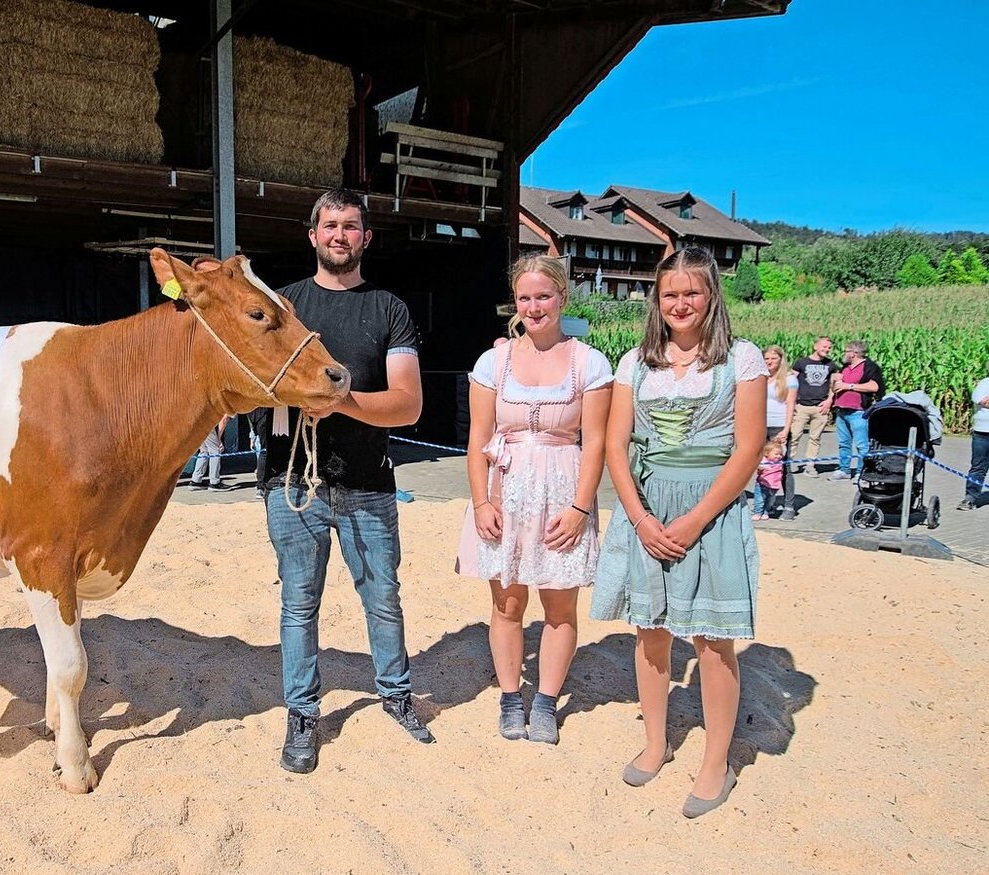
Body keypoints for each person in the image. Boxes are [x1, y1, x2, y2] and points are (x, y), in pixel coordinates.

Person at [589, 247, 765, 819]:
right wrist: (640, 518)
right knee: (651, 630)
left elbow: (748, 449)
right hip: (649, 505)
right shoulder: (635, 363)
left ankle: (716, 761)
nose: (681, 303)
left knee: (713, 640)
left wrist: (695, 519)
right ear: (657, 301)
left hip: (711, 508)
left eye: (692, 292)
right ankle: (655, 740)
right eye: (670, 294)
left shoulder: (741, 359)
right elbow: (616, 445)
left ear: (712, 295)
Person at [258, 188, 428, 774]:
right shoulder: (282, 307)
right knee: (298, 604)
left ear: (365, 238)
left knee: (382, 597)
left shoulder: (389, 309)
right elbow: (255, 385)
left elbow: (407, 405)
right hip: (292, 482)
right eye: (329, 225)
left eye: (350, 227)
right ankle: (303, 712)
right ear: (312, 234)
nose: (339, 235)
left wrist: (340, 400)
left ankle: (396, 695)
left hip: (368, 483)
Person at [456, 255, 612, 744]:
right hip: (506, 490)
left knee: (560, 607)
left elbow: (597, 443)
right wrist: (481, 503)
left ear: (562, 298)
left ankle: (545, 700)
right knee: (506, 604)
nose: (534, 307)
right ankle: (509, 697)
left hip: (562, 492)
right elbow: (478, 437)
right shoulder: (493, 362)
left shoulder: (590, 362)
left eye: (543, 296)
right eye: (525, 298)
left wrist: (581, 508)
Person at [827, 339, 885, 481]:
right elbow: (836, 385)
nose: (844, 354)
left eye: (846, 351)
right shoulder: (845, 367)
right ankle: (844, 469)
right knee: (843, 443)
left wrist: (849, 386)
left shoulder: (870, 367)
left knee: (862, 445)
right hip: (842, 411)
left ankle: (861, 471)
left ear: (854, 353)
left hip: (859, 412)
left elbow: (874, 387)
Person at [789, 337, 839, 474]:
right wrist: (791, 402)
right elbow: (791, 382)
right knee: (794, 435)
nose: (826, 349)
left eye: (829, 347)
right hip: (801, 405)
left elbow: (834, 385)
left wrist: (830, 400)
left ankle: (810, 464)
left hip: (820, 406)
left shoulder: (831, 365)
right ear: (815, 346)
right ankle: (790, 462)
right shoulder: (801, 362)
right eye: (824, 346)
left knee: (815, 437)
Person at [761, 345, 798, 519]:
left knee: (783, 466)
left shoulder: (789, 378)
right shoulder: (762, 376)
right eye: (766, 358)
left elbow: (791, 404)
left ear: (780, 359)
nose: (769, 362)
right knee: (763, 466)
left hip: (779, 426)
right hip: (762, 425)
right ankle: (766, 504)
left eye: (773, 358)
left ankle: (789, 506)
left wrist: (786, 428)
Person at [961, 365, 989, 511]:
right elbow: (979, 399)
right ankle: (970, 498)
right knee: (978, 467)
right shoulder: (984, 383)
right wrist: (984, 402)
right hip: (982, 432)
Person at [188, 414, 232, 490]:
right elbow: (224, 419)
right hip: (207, 423)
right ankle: (215, 482)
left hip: (197, 422)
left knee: (204, 451)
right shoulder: (233, 404)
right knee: (216, 451)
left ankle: (196, 481)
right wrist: (218, 439)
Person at [751, 438, 785, 521]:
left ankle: (765, 512)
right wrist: (759, 467)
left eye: (780, 454)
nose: (778, 456)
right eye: (776, 454)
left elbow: (784, 450)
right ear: (767, 453)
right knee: (759, 499)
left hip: (774, 486)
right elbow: (758, 466)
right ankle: (758, 512)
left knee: (770, 501)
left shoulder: (780, 462)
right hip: (762, 485)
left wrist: (781, 443)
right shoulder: (764, 461)